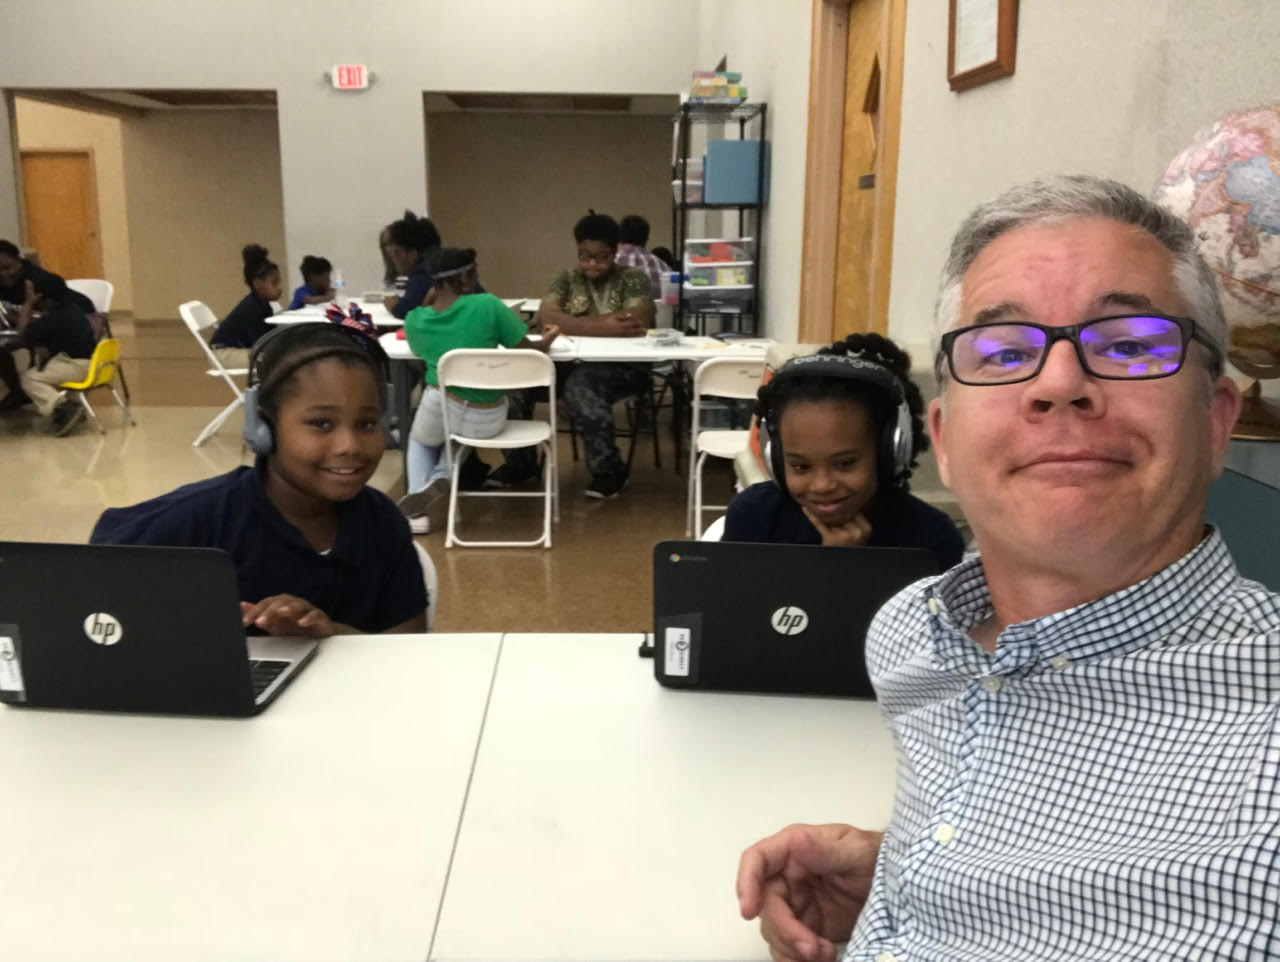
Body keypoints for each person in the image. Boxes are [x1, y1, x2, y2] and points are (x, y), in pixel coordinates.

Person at [736, 174, 1277, 961]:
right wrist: (910, 872)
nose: (1060, 384)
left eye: (1129, 343)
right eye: (1005, 351)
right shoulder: (909, 636)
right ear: (946, 440)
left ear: (1217, 420)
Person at [91, 322, 428, 636]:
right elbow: (91, 575)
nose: (350, 446)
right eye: (322, 424)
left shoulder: (383, 523)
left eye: (367, 424)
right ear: (261, 427)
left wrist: (330, 637)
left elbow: (409, 653)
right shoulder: (202, 520)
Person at [724, 333, 964, 570]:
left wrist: (849, 567)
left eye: (845, 463)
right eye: (801, 467)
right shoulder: (754, 517)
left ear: (889, 452)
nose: (821, 485)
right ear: (775, 458)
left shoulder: (931, 542)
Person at [490, 211, 655, 500]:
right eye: (584, 255)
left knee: (581, 387)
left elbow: (635, 318)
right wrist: (605, 325)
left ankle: (610, 470)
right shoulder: (565, 279)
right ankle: (521, 464)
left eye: (600, 256)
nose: (591, 263)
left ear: (615, 252)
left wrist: (570, 322)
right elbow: (547, 316)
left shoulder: (633, 278)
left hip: (624, 367)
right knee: (517, 381)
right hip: (569, 363)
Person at [396, 248, 560, 534]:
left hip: (439, 404)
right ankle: (441, 475)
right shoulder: (488, 305)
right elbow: (528, 351)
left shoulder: (415, 320)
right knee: (461, 437)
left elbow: (420, 347)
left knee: (422, 441)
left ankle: (416, 513)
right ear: (466, 278)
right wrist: (549, 338)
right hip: (486, 417)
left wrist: (427, 302)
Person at [0, 279, 96, 434]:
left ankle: (63, 407)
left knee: (29, 378)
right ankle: (64, 408)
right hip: (91, 363)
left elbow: (21, 333)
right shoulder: (72, 309)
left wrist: (28, 303)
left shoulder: (54, 319)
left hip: (77, 366)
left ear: (44, 297)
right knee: (39, 367)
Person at [209, 244, 282, 369]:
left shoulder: (264, 305)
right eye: (274, 283)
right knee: (271, 360)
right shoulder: (251, 308)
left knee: (277, 356)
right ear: (258, 284)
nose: (279, 288)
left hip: (238, 350)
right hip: (223, 354)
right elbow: (261, 344)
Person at [0, 239, 95, 315]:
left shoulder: (37, 281)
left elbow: (40, 318)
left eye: (7, 267)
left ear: (18, 261)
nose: (3, 274)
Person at [382, 211, 442, 319]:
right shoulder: (443, 262)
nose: (393, 260)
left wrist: (393, 305)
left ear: (413, 254)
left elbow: (406, 311)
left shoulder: (423, 272)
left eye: (397, 253)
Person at [615, 214, 667, 299]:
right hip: (655, 312)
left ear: (619, 236)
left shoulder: (612, 261)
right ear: (646, 238)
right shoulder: (662, 266)